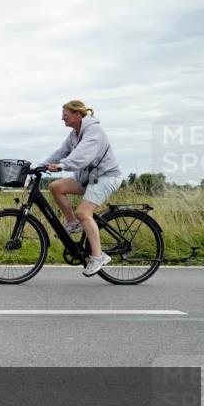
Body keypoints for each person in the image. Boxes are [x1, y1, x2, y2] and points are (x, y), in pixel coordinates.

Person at [40, 100, 123, 277]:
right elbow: (61, 151)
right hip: (90, 177)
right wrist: (41, 165)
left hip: (106, 176)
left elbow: (82, 155)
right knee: (55, 187)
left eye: (65, 115)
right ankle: (73, 223)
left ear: (77, 115)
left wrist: (62, 166)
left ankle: (98, 256)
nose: (62, 118)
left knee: (84, 212)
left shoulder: (94, 131)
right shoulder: (74, 134)